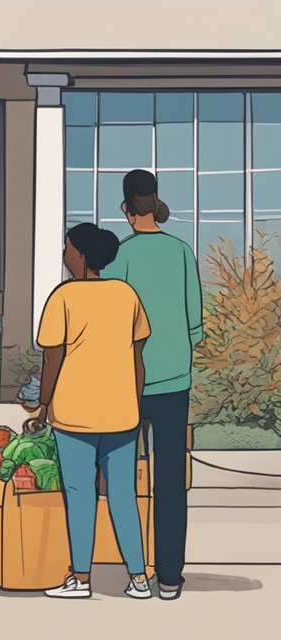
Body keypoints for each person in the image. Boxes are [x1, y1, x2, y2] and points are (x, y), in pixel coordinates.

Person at [36, 223, 153, 600]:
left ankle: (81, 579)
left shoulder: (63, 297)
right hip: (122, 412)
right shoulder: (126, 294)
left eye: (67, 247)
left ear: (81, 256)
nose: (65, 254)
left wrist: (42, 405)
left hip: (74, 414)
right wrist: (135, 404)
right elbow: (138, 359)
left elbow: (52, 357)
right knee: (122, 494)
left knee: (80, 493)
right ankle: (138, 578)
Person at [102, 169, 203, 601]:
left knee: (123, 478)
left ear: (126, 209)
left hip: (128, 380)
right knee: (169, 483)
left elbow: (109, 325)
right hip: (174, 381)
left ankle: (134, 571)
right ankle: (170, 577)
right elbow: (195, 325)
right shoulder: (181, 252)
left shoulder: (119, 258)